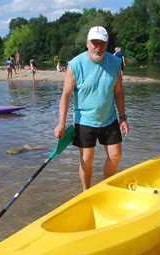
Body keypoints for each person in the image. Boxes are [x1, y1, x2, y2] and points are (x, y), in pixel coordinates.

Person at [54, 26, 130, 191]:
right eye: (94, 42)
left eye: (102, 43)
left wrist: (123, 118)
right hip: (84, 120)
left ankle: (105, 188)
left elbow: (118, 92)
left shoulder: (115, 63)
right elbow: (66, 96)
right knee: (87, 159)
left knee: (115, 156)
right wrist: (61, 123)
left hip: (109, 118)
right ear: (87, 43)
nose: (98, 47)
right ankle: (86, 192)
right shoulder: (75, 65)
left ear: (107, 44)